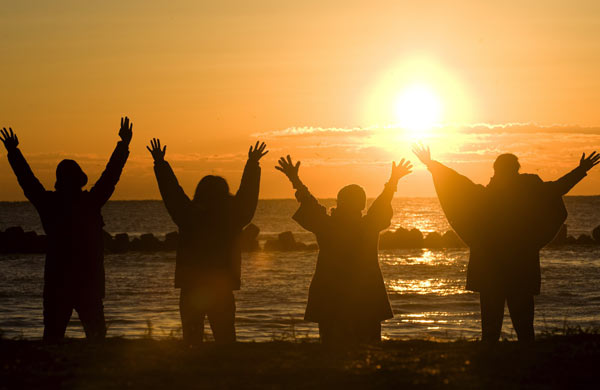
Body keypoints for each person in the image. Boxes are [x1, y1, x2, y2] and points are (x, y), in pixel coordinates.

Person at [412, 145, 600, 343]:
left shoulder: (486, 196)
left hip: (490, 266)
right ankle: (524, 361)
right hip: (521, 264)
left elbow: (456, 183)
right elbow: (558, 188)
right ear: (516, 170)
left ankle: (492, 361)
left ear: (496, 171)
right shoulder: (529, 192)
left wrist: (432, 165)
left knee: (493, 327)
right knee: (524, 325)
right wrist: (581, 170)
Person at [0, 118, 132, 342]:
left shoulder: (50, 204)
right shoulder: (89, 202)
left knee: (54, 337)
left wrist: (14, 152)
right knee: (96, 338)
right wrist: (123, 144)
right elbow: (111, 176)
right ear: (80, 180)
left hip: (59, 282)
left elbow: (27, 180)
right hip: (86, 282)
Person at [276, 155, 412, 344]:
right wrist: (393, 182)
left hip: (331, 294)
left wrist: (295, 180)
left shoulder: (327, 224)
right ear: (362, 205)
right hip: (366, 295)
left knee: (331, 347)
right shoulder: (368, 225)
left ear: (339, 202)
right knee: (369, 344)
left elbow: (308, 203)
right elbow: (381, 204)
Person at [147, 138, 267, 345]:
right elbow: (248, 195)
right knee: (226, 338)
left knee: (192, 340)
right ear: (225, 193)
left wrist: (160, 164)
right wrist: (252, 164)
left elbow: (171, 192)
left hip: (192, 285)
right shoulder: (232, 216)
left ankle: (195, 371)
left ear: (199, 193)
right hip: (222, 286)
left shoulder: (188, 214)